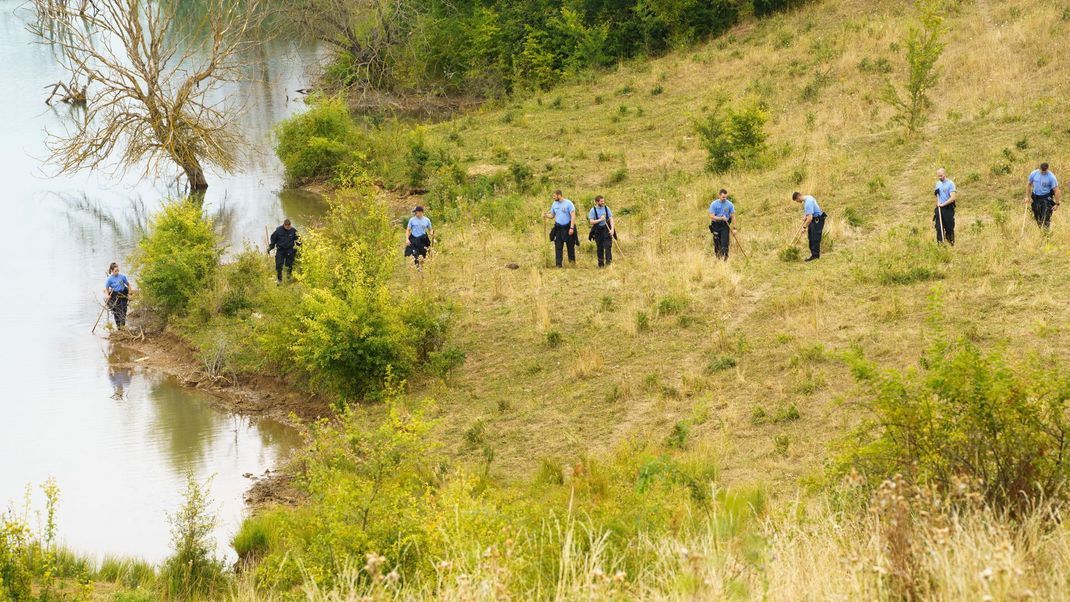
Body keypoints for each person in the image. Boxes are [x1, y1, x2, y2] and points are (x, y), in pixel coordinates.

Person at [545, 190, 577, 267]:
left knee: (570, 246)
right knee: (558, 247)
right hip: (558, 228)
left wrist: (571, 228)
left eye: (554, 196)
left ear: (559, 195)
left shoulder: (568, 203)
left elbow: (573, 216)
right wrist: (546, 215)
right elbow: (552, 215)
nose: (553, 197)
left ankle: (572, 264)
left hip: (568, 227)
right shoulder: (554, 204)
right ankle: (558, 265)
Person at [792, 192, 826, 262]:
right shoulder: (807, 198)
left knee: (815, 238)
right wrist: (805, 216)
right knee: (810, 237)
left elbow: (810, 218)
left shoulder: (808, 202)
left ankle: (815, 257)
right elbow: (809, 212)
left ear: (798, 198)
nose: (797, 202)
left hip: (817, 220)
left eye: (796, 201)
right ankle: (813, 255)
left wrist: (804, 227)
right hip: (813, 220)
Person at [1027, 162, 1061, 229]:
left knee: (1045, 218)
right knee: (1038, 218)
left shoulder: (1051, 177)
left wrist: (1057, 204)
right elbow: (1029, 184)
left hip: (1046, 199)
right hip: (1035, 198)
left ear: (1047, 169)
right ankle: (1041, 233)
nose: (1043, 173)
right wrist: (1027, 197)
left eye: (1045, 171)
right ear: (1039, 168)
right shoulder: (1034, 173)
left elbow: (1056, 191)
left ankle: (1046, 235)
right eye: (1042, 171)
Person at [708, 189, 736, 261]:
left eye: (726, 197)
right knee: (717, 242)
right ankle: (718, 258)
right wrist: (721, 218)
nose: (725, 199)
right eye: (723, 197)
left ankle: (725, 258)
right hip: (716, 225)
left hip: (725, 225)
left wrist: (734, 228)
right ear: (719, 195)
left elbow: (733, 216)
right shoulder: (714, 204)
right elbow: (711, 216)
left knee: (725, 242)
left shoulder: (730, 204)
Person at [587, 195, 615, 267]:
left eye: (603, 201)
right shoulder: (593, 210)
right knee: (600, 247)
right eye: (601, 201)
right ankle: (601, 264)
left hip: (606, 229)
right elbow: (591, 222)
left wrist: (612, 229)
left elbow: (611, 218)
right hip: (598, 230)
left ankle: (609, 263)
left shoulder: (606, 208)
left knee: (608, 246)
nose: (603, 202)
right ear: (597, 202)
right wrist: (600, 219)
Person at [104, 262, 131, 329]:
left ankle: (123, 326)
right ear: (112, 271)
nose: (117, 272)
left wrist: (130, 293)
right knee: (116, 312)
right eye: (116, 271)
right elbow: (106, 289)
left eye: (118, 270)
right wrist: (107, 295)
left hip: (123, 294)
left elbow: (128, 285)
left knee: (123, 310)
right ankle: (118, 327)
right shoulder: (109, 279)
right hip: (115, 296)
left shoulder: (122, 277)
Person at [933, 168, 957, 245]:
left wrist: (943, 204)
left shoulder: (950, 184)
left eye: (941, 176)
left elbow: (953, 198)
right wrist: (938, 203)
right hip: (939, 208)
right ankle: (940, 245)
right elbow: (938, 197)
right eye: (938, 176)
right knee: (939, 227)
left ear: (945, 174)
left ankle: (951, 242)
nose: (940, 177)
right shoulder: (938, 184)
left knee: (949, 227)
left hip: (948, 208)